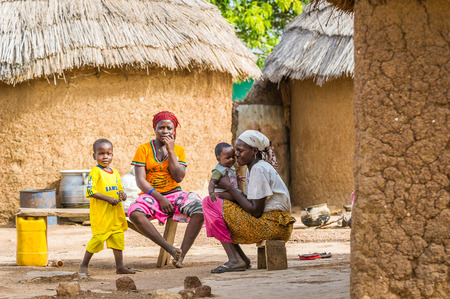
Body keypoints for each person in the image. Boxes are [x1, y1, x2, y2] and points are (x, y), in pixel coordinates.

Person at [203, 130, 296, 273]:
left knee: (209, 203)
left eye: (240, 151)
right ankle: (240, 258)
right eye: (236, 151)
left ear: (254, 151)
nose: (237, 154)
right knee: (213, 203)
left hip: (274, 225)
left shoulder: (259, 168)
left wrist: (230, 188)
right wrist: (230, 194)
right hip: (273, 223)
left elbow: (256, 211)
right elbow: (252, 204)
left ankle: (235, 260)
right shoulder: (253, 168)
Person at [127, 111, 204, 268]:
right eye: (161, 127)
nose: (165, 131)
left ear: (174, 130)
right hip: (151, 195)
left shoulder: (179, 150)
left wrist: (171, 151)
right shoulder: (143, 149)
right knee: (134, 213)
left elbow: (179, 177)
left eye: (170, 128)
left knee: (200, 209)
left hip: (175, 193)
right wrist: (160, 198)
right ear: (154, 128)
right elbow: (140, 181)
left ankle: (181, 255)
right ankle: (169, 248)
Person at [79, 139, 135, 276]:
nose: (105, 157)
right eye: (101, 153)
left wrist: (122, 194)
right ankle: (83, 265)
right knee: (98, 239)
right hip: (101, 214)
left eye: (108, 153)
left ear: (112, 155)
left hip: (114, 213)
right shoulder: (95, 172)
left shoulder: (115, 172)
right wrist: (108, 199)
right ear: (94, 156)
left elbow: (119, 188)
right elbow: (90, 191)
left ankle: (120, 267)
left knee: (117, 238)